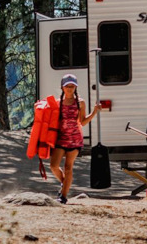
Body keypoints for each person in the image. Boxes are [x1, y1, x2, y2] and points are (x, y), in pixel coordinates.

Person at [51, 74, 101, 204]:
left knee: (68, 168)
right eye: (67, 86)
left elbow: (82, 122)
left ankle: (63, 196)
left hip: (75, 140)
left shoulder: (80, 102)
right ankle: (65, 183)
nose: (70, 88)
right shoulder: (58, 103)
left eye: (72, 86)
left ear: (75, 87)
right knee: (54, 166)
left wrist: (94, 112)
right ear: (62, 87)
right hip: (61, 139)